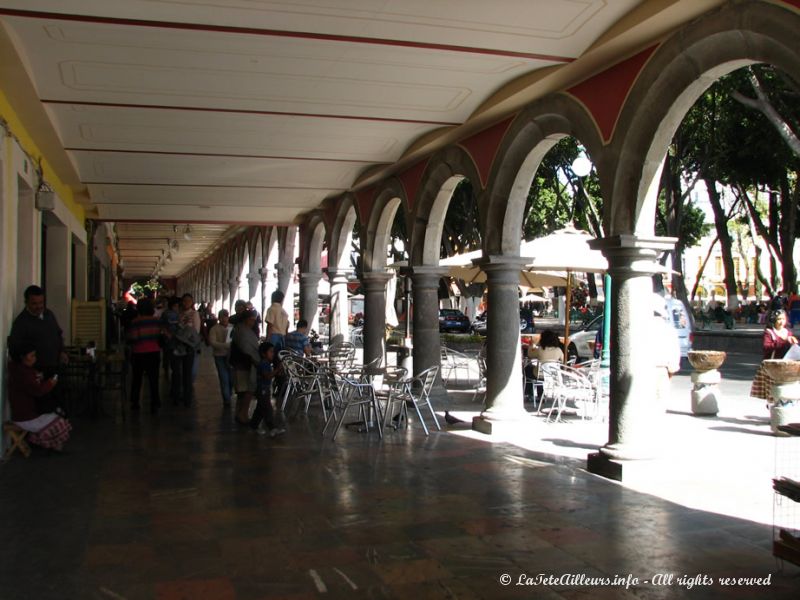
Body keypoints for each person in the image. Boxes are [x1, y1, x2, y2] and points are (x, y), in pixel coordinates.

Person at [7, 343, 72, 452]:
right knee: (59, 419)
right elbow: (38, 391)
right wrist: (51, 383)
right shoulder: (23, 374)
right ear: (22, 357)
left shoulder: (20, 370)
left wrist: (39, 377)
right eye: (31, 356)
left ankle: (49, 444)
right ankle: (48, 444)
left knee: (57, 412)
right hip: (25, 416)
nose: (34, 359)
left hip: (25, 412)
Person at [8, 285, 68, 377]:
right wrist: (23, 361)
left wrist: (62, 351)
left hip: (55, 368)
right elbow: (14, 348)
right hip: (36, 373)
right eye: (34, 303)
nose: (39, 306)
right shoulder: (21, 322)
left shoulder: (49, 315)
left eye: (41, 302)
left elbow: (58, 334)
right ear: (26, 303)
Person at [750, 309, 798, 403]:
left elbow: (791, 346)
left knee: (787, 388)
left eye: (783, 319)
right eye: (779, 319)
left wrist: (793, 342)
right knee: (773, 390)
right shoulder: (769, 332)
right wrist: (783, 341)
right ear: (774, 320)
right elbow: (767, 347)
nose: (781, 322)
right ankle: (773, 406)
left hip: (786, 364)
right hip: (773, 366)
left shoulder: (787, 332)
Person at [126, 299, 162, 414]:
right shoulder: (156, 321)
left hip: (138, 352)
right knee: (153, 379)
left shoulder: (136, 322)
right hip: (154, 352)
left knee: (137, 378)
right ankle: (154, 403)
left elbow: (133, 338)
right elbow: (162, 335)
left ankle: (135, 402)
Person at [249, 342, 286, 437]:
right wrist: (277, 370)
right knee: (267, 409)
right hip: (262, 390)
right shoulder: (264, 364)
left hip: (264, 389)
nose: (272, 354)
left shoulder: (266, 364)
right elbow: (267, 376)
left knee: (260, 409)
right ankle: (272, 427)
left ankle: (254, 426)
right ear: (263, 353)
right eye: (271, 352)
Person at [230, 310, 261, 425]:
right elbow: (246, 348)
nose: (253, 322)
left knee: (243, 391)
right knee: (246, 390)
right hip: (244, 364)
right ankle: (242, 414)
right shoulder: (242, 331)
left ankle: (240, 413)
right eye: (251, 319)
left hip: (244, 363)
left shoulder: (241, 329)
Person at [208, 309, 234, 407]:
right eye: (222, 317)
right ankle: (226, 399)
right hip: (219, 356)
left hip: (230, 356)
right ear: (219, 318)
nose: (224, 319)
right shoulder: (214, 329)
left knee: (231, 378)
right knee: (223, 377)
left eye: (226, 316)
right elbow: (212, 342)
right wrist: (226, 346)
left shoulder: (232, 328)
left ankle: (229, 392)